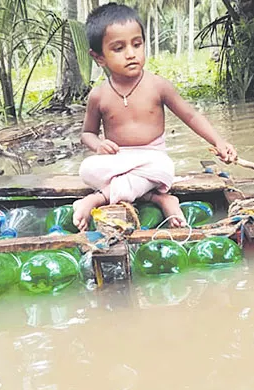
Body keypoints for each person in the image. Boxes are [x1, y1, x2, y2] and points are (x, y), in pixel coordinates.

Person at [72, 2, 237, 232]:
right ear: (99, 57)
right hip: (119, 160)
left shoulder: (158, 85)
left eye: (137, 44)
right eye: (118, 48)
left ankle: (98, 199)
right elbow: (87, 134)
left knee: (164, 168)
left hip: (151, 158)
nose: (131, 54)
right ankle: (158, 198)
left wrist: (218, 141)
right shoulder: (98, 95)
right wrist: (98, 145)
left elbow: (190, 115)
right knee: (87, 170)